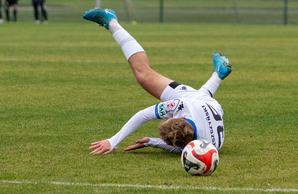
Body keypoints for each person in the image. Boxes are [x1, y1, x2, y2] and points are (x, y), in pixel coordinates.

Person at [84, 8, 231, 155]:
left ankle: (218, 75)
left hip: (211, 106)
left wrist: (151, 141)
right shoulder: (181, 106)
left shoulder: (210, 146)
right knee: (144, 75)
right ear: (181, 116)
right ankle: (111, 21)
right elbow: (144, 115)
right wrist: (113, 141)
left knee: (196, 96)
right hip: (196, 102)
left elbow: (181, 147)